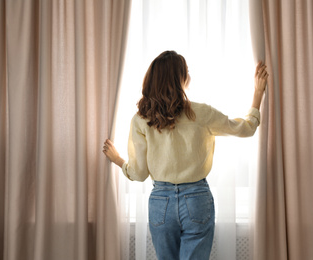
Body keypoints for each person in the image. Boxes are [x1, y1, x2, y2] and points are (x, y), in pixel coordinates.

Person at [103, 50, 268, 260]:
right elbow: (246, 129)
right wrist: (257, 94)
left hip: (160, 201)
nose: (189, 74)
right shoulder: (200, 113)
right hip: (197, 198)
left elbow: (139, 173)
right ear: (178, 79)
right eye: (185, 71)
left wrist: (118, 160)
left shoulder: (141, 119)